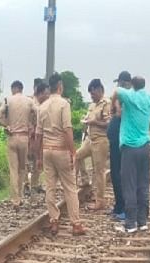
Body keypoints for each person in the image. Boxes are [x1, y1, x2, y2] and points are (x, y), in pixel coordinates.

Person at [111, 75, 150, 233]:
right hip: (144, 147)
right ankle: (142, 221)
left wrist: (114, 107)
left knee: (129, 185)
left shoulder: (129, 96)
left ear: (132, 85)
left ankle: (130, 223)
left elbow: (116, 91)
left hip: (129, 147)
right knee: (143, 185)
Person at [37, 72, 87, 236]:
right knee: (70, 188)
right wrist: (73, 152)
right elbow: (67, 130)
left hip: (46, 151)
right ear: (60, 86)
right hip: (61, 150)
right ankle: (76, 224)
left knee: (50, 188)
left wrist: (38, 156)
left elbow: (38, 134)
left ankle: (54, 221)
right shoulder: (64, 104)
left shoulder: (42, 106)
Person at [0, 80, 36, 206]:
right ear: (21, 89)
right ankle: (21, 195)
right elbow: (37, 113)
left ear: (13, 89)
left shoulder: (8, 100)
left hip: (12, 137)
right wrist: (32, 124)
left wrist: (5, 125)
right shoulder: (29, 101)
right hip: (24, 138)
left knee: (13, 169)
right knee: (22, 168)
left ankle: (15, 199)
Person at [75, 78, 112, 210]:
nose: (92, 96)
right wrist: (85, 122)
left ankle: (100, 200)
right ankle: (85, 181)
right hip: (89, 140)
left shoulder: (106, 104)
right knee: (76, 156)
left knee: (99, 171)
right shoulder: (92, 105)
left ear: (100, 90)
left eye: (93, 93)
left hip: (101, 140)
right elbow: (88, 119)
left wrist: (94, 123)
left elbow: (109, 124)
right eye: (90, 94)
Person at [107, 71, 133, 221]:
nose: (118, 86)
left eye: (120, 83)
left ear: (125, 83)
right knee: (115, 174)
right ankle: (118, 206)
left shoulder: (128, 98)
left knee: (121, 175)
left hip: (122, 139)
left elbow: (120, 114)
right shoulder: (120, 97)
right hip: (115, 139)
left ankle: (124, 208)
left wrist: (116, 104)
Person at [27, 78, 49, 195]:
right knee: (30, 159)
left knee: (39, 159)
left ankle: (35, 184)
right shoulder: (31, 101)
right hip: (32, 134)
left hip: (41, 133)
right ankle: (27, 185)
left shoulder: (43, 102)